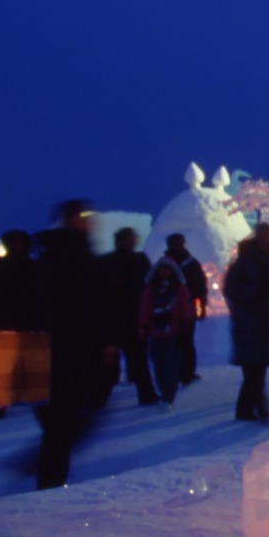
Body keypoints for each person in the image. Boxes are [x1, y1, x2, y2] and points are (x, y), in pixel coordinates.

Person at [34, 199, 108, 490]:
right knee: (64, 419)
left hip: (72, 347)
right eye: (85, 215)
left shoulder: (73, 252)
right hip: (67, 348)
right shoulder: (64, 256)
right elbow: (85, 303)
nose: (91, 220)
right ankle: (50, 480)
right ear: (70, 219)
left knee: (65, 420)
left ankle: (50, 474)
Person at [223, 223, 269, 422]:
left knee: (258, 370)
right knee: (253, 371)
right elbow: (231, 289)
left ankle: (252, 407)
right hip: (248, 324)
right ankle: (250, 408)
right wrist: (255, 292)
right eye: (262, 234)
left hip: (265, 323)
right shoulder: (244, 263)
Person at [99, 228, 158, 405]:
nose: (133, 241)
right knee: (119, 361)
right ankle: (100, 397)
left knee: (135, 360)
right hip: (120, 320)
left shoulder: (136, 260)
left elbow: (149, 287)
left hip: (127, 319)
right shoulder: (113, 262)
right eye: (131, 238)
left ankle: (100, 397)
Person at [138, 256, 195, 409]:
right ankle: (164, 392)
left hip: (174, 334)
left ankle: (168, 397)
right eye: (161, 270)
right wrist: (143, 327)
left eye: (167, 270)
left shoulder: (178, 289)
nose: (164, 273)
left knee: (171, 367)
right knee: (159, 367)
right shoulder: (150, 290)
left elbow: (186, 308)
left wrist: (185, 326)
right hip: (156, 334)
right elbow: (144, 309)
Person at [160, 234, 208, 386]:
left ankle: (179, 373)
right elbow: (201, 286)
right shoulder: (190, 263)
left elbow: (201, 286)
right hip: (182, 308)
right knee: (185, 341)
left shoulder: (164, 263)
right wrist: (202, 306)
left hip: (172, 308)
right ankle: (185, 373)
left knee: (177, 341)